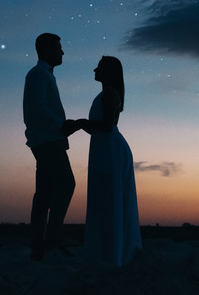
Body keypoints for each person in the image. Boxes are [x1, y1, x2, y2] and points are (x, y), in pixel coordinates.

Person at [77, 55, 141, 266]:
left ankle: (111, 256)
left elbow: (105, 126)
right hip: (106, 148)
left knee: (109, 199)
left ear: (108, 72)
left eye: (99, 67)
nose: (94, 70)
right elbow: (101, 128)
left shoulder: (110, 94)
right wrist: (80, 125)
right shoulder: (106, 94)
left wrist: (80, 123)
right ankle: (108, 253)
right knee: (105, 199)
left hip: (111, 151)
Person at [23, 32, 80, 261]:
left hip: (48, 138)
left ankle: (39, 247)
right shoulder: (38, 75)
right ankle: (53, 241)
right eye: (58, 47)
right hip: (47, 140)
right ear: (46, 50)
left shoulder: (45, 75)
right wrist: (61, 125)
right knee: (66, 184)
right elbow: (37, 108)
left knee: (44, 195)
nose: (62, 52)